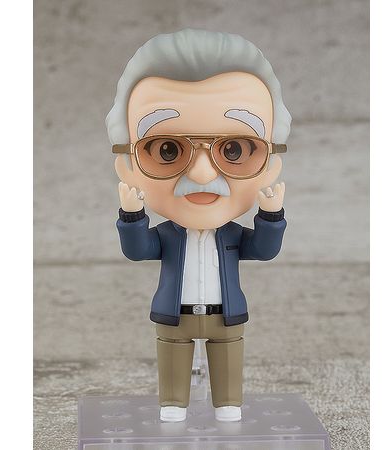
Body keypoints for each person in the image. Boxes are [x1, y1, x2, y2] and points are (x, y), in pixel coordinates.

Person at [107, 28, 290, 422]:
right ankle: (173, 403)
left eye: (235, 149)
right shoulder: (167, 235)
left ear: (272, 165)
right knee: (173, 364)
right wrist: (132, 215)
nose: (203, 174)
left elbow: (264, 250)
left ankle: (228, 403)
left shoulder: (234, 235)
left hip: (227, 316)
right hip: (175, 316)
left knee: (228, 362)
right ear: (126, 166)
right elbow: (138, 251)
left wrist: (271, 215)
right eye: (167, 150)